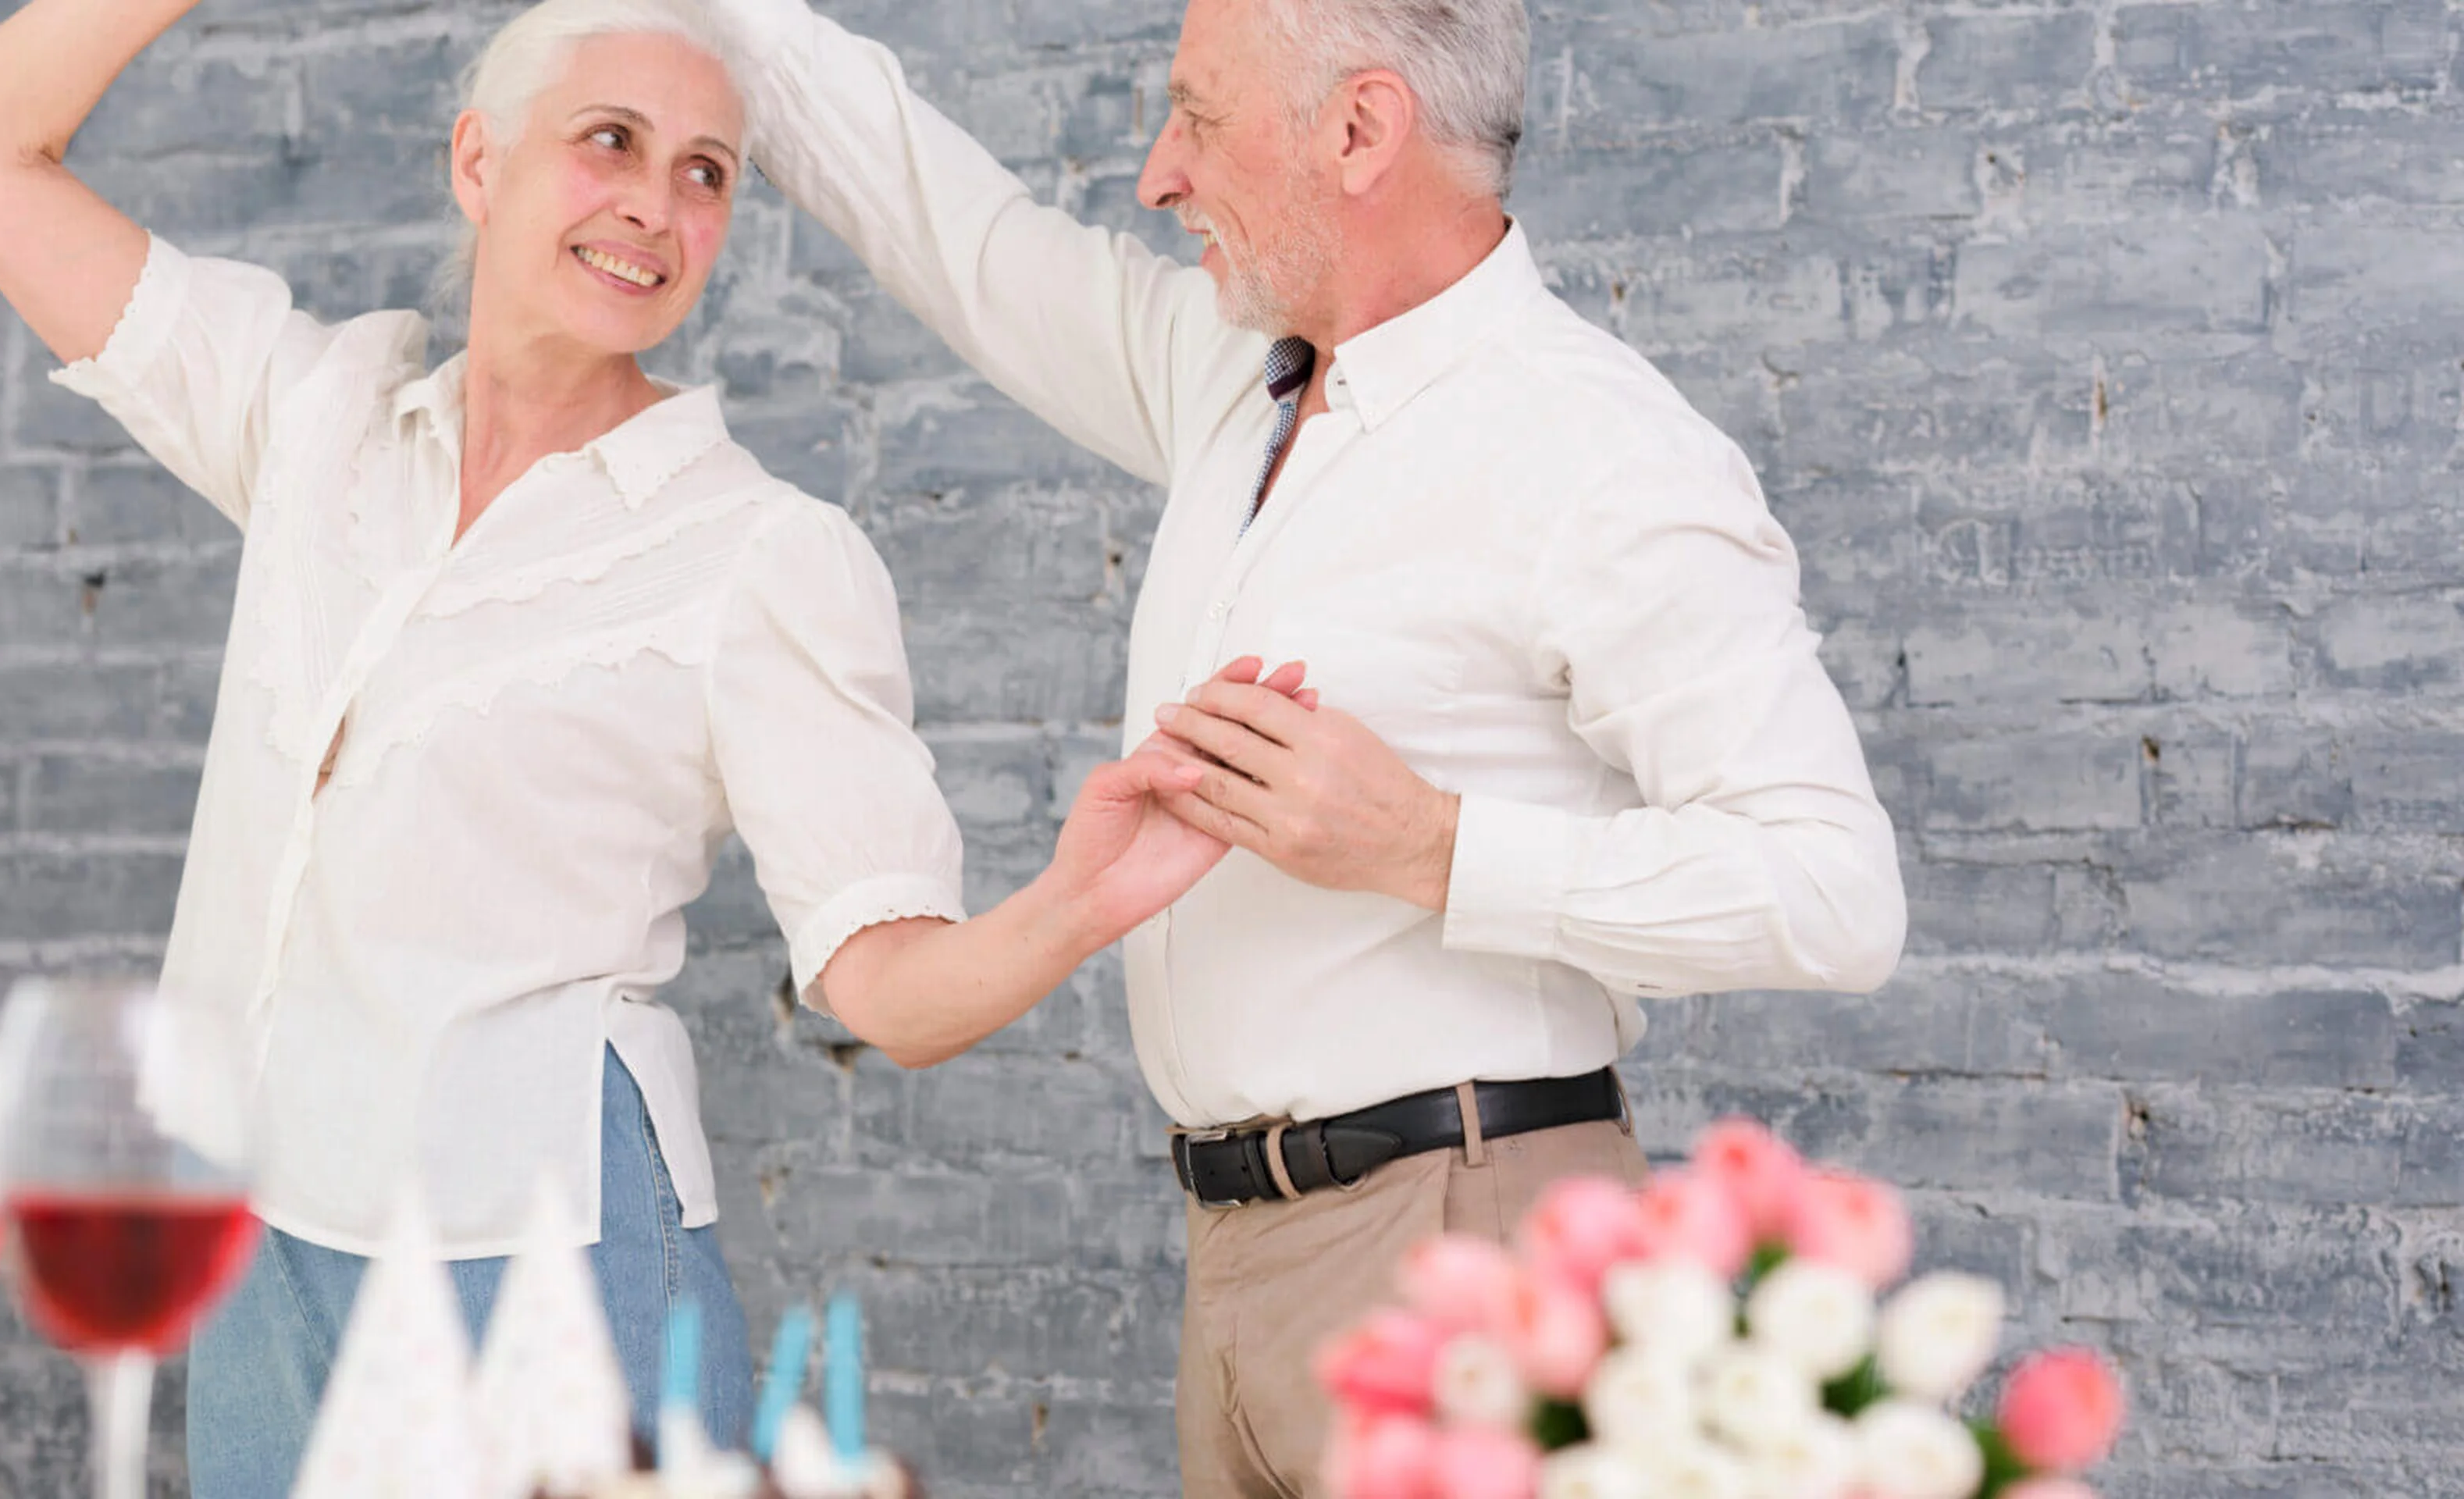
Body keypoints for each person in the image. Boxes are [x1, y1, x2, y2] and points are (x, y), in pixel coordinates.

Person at [0, 1, 1252, 1491]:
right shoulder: (315, 419)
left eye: (707, 172)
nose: (656, 207)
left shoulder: (758, 554)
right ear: (480, 161)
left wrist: (1076, 905)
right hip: (260, 1242)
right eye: (610, 141)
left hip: (532, 1257)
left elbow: (888, 986)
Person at [678, 0, 1914, 1490]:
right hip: (1237, 1256)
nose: (1156, 172)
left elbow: (1835, 892)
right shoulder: (1234, 383)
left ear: (1360, 130)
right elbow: (963, 234)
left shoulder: (1598, 454)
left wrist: (1432, 848)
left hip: (1468, 1240)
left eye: (1197, 115)